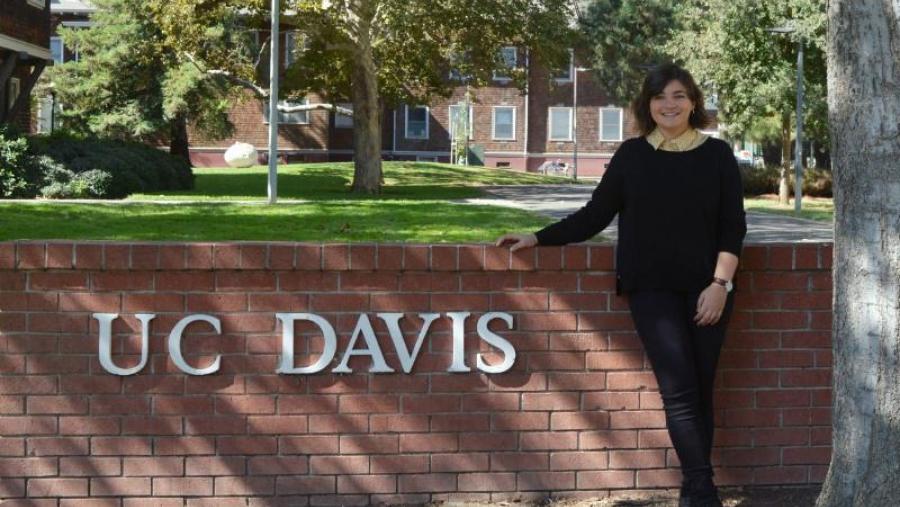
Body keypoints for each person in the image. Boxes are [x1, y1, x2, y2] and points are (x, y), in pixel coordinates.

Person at [496, 63, 746, 507]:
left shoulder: (717, 156)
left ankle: (694, 488)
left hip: (707, 288)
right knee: (679, 389)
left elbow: (733, 228)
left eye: (678, 96)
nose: (669, 105)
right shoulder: (631, 156)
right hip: (651, 289)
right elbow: (594, 215)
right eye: (660, 97)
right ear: (647, 105)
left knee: (700, 386)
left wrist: (719, 285)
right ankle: (703, 490)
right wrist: (537, 237)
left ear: (693, 102)